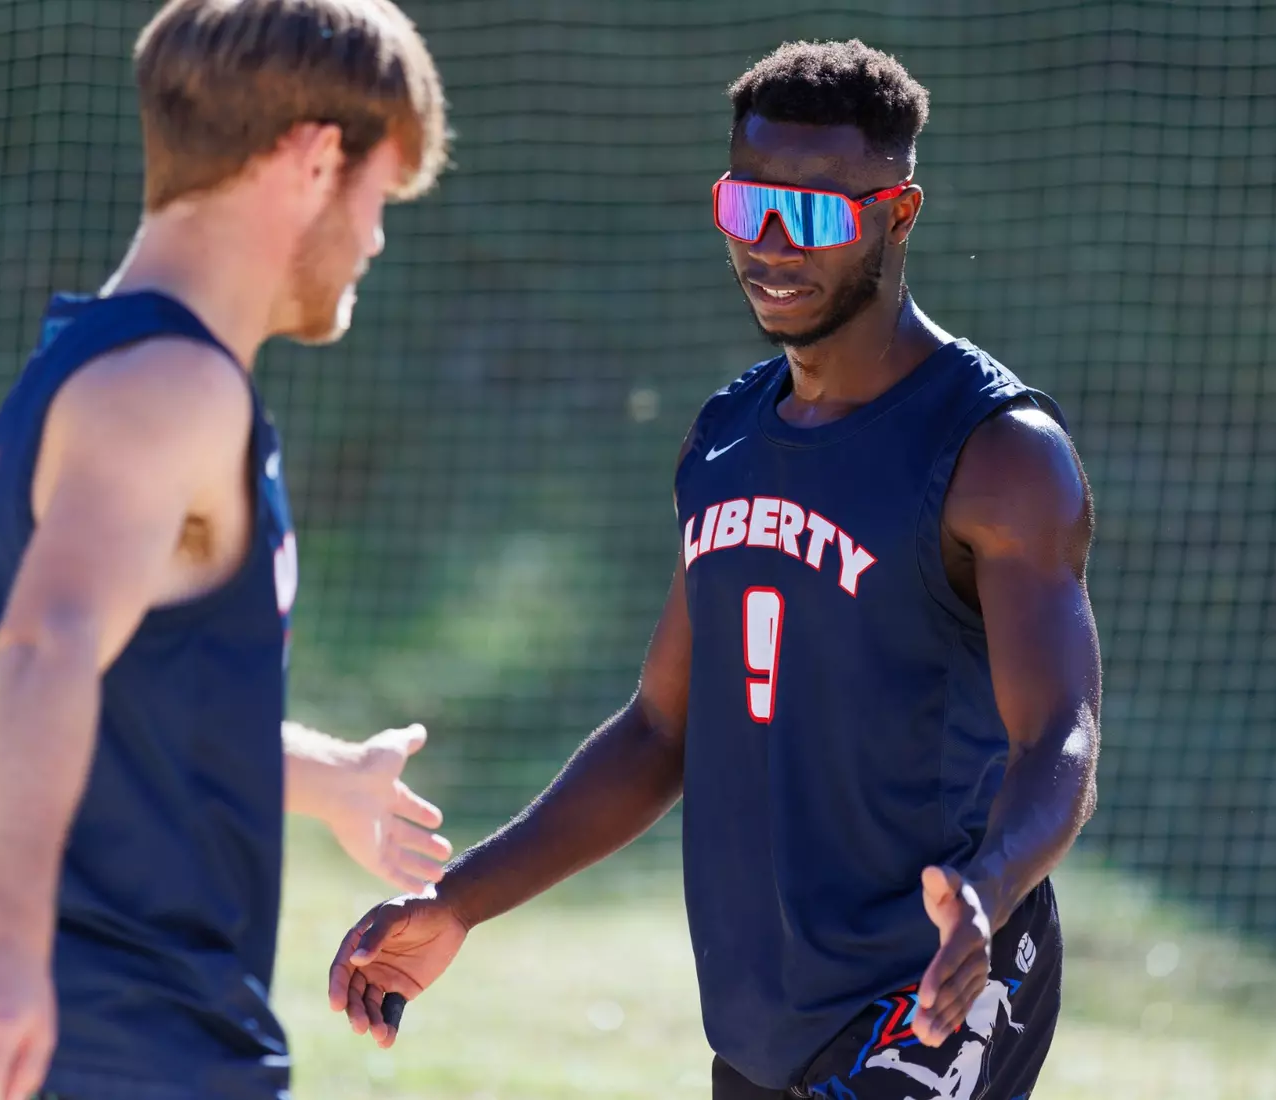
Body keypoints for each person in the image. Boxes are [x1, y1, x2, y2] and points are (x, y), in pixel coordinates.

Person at [328, 39, 1100, 1100]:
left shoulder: (999, 453)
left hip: (939, 984)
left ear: (899, 214)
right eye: (749, 207)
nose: (774, 244)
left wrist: (990, 885)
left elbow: (1058, 733)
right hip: (765, 1011)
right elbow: (660, 729)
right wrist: (459, 899)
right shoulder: (727, 435)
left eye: (817, 214)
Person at [0, 2, 449, 1098]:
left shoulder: (104, 363)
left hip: (79, 1030)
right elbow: (44, 651)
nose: (376, 236)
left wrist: (325, 776)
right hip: (104, 1034)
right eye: (381, 196)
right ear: (316, 157)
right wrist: (2, 947)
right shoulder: (170, 390)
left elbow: (116, 690)